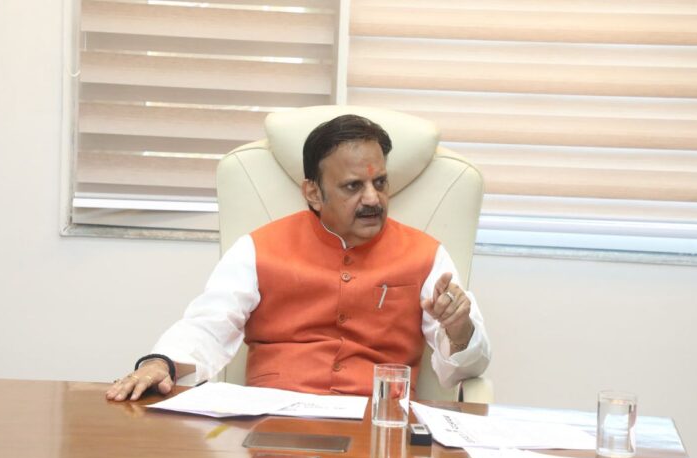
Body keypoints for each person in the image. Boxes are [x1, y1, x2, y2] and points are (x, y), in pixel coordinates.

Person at [107, 114, 490, 401]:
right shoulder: (258, 248)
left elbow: (465, 369)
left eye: (380, 182)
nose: (373, 199)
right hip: (273, 422)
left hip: (376, 428)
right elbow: (208, 326)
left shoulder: (427, 255)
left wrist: (459, 330)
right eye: (353, 186)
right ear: (313, 193)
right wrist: (160, 362)